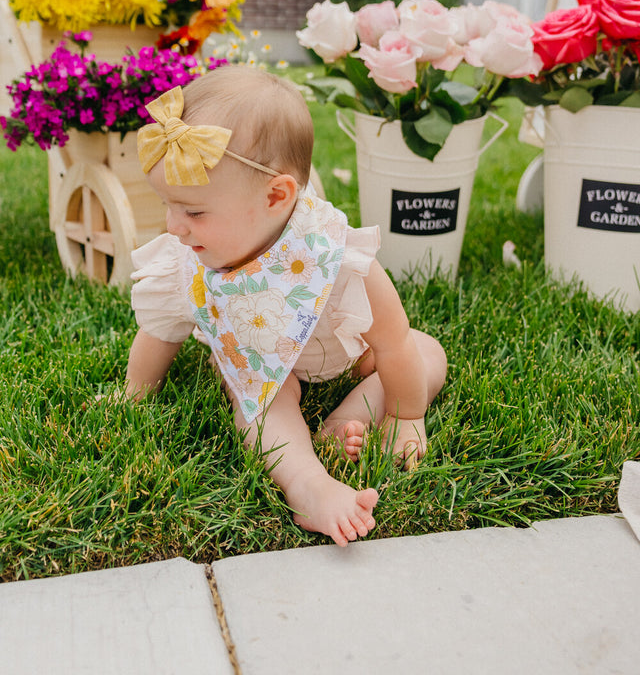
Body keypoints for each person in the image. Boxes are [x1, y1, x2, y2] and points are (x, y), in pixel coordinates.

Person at [126, 66, 447, 547]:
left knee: (426, 353)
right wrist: (135, 392)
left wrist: (406, 416)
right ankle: (308, 485)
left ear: (277, 196)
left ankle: (356, 411)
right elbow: (160, 330)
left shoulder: (333, 255)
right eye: (168, 205)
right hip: (264, 367)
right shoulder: (189, 259)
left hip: (350, 352)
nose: (174, 226)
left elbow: (392, 339)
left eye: (193, 211)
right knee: (259, 404)